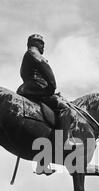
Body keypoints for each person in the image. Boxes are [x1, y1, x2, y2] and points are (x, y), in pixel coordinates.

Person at [17, 34, 74, 175]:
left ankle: (43, 160)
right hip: (36, 89)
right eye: (41, 43)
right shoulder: (33, 52)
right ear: (34, 43)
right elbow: (45, 68)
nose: (43, 46)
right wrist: (52, 86)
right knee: (66, 109)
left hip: (34, 89)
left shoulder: (29, 54)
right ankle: (62, 143)